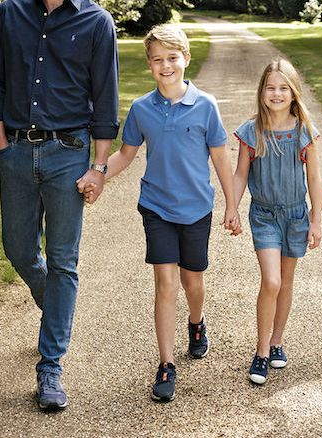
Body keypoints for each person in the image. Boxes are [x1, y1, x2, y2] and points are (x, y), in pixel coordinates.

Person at [0, 0, 119, 411]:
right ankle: (55, 309)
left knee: (63, 261)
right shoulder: (9, 15)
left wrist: (99, 167)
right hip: (16, 152)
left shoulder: (97, 23)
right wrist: (2, 146)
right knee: (18, 249)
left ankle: (50, 367)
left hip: (68, 155)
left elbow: (105, 103)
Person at [94, 24, 240, 402]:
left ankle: (196, 323)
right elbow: (126, 155)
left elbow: (221, 158)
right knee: (165, 283)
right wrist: (97, 174)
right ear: (149, 65)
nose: (165, 66)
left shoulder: (206, 105)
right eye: (157, 60)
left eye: (172, 58)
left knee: (193, 283)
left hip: (196, 210)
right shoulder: (142, 109)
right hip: (157, 208)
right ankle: (165, 363)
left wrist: (232, 205)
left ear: (185, 59)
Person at [232, 59, 322, 385]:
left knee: (285, 281)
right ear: (262, 91)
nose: (276, 93)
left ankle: (277, 341)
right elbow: (241, 173)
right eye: (270, 87)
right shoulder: (251, 131)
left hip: (296, 215)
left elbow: (313, 177)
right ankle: (260, 352)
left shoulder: (303, 131)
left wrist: (316, 219)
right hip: (265, 215)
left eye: (283, 87)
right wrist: (232, 206)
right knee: (270, 281)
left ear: (294, 92)